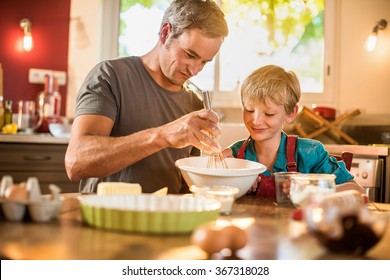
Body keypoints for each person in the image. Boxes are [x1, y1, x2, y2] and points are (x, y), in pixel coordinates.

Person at [65, 0, 229, 194]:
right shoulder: (110, 76)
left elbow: (186, 186)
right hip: (107, 217)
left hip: (168, 221)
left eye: (204, 62)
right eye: (189, 55)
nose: (195, 70)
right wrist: (164, 135)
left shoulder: (195, 104)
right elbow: (76, 163)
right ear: (165, 32)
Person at [222, 65, 364, 198]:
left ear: (290, 113)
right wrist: (235, 183)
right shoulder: (235, 154)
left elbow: (357, 191)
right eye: (249, 110)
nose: (256, 120)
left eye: (269, 114)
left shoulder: (310, 153)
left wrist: (312, 189)